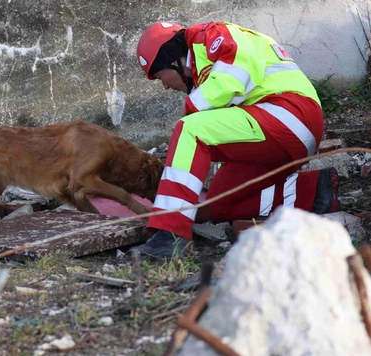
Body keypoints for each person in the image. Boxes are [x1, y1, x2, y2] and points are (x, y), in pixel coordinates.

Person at [129, 21, 339, 258]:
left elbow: (237, 71)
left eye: (159, 76)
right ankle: (314, 189)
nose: (165, 86)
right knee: (219, 203)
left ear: (171, 59)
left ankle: (169, 234)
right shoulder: (201, 61)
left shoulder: (211, 35)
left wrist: (191, 106)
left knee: (190, 129)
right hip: (277, 128)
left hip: (290, 113)